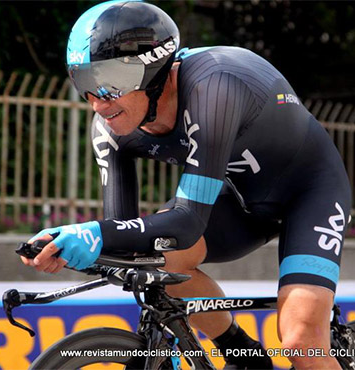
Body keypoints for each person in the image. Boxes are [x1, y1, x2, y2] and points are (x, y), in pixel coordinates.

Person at [21, 1, 352, 369]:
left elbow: (188, 221)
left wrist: (92, 234)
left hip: (309, 194)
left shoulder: (215, 85)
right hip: (241, 200)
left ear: (153, 70)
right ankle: (243, 355)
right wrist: (67, 246)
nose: (98, 102)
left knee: (300, 340)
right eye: (85, 82)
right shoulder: (111, 128)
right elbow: (128, 240)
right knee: (155, 259)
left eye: (109, 82)